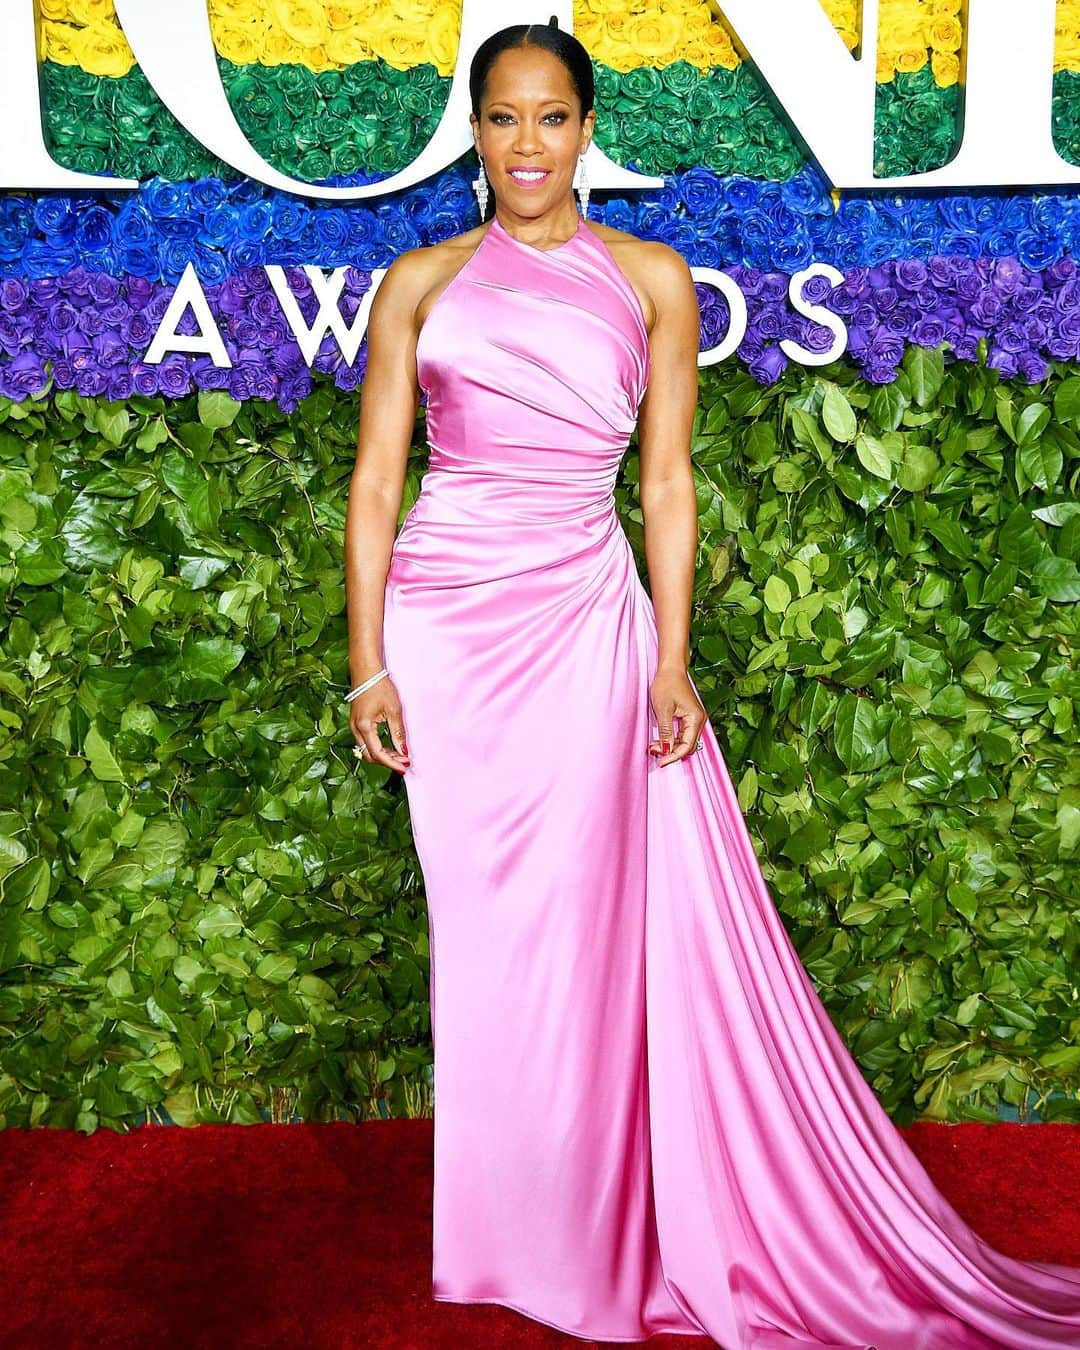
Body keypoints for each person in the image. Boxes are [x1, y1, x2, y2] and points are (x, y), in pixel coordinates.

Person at [342, 18, 1080, 1349]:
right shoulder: (419, 284)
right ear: (474, 130)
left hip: (586, 626)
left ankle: (606, 1231)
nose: (526, 144)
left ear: (586, 127)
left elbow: (666, 483)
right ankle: (512, 1235)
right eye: (503, 118)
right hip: (446, 635)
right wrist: (368, 666)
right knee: (489, 949)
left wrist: (673, 656)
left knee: (592, 933)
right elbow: (376, 485)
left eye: (551, 117)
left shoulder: (653, 281)